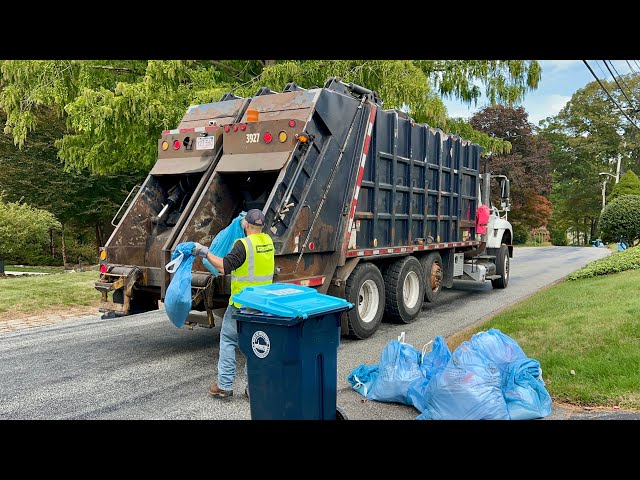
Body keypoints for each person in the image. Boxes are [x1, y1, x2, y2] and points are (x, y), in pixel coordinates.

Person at [191, 209, 275, 399]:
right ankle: (253, 388)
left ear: (245, 225)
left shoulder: (242, 245)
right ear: (261, 226)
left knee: (228, 341)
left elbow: (222, 266)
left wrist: (204, 252)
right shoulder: (268, 242)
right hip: (262, 304)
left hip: (241, 304)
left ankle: (224, 386)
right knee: (256, 345)